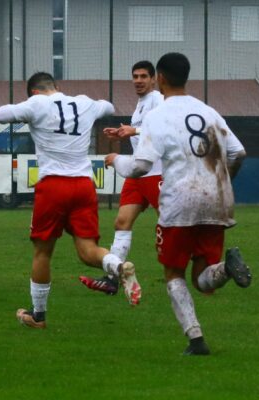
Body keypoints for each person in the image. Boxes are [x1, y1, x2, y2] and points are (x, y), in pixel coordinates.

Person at [106, 52, 250, 355]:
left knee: (174, 273)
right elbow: (239, 153)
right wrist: (225, 182)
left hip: (180, 203)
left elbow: (140, 166)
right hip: (218, 200)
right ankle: (227, 268)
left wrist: (115, 159)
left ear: (161, 78)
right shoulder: (209, 112)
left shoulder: (157, 116)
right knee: (203, 277)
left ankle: (196, 340)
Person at [0, 72, 141, 328]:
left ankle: (38, 315)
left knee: (42, 252)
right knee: (87, 252)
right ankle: (118, 266)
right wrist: (93, 107)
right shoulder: (83, 103)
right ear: (57, 86)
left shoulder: (37, 103)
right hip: (83, 185)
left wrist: (26, 110)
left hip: (53, 186)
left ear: (35, 92)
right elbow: (108, 107)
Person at [79, 61, 163, 295]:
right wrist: (123, 132)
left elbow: (164, 129)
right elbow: (143, 132)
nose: (138, 80)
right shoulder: (140, 105)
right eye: (135, 76)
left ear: (154, 79)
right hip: (138, 173)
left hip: (157, 172)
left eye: (144, 76)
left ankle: (211, 265)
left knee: (174, 226)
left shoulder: (158, 99)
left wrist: (133, 131)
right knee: (122, 222)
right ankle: (112, 279)